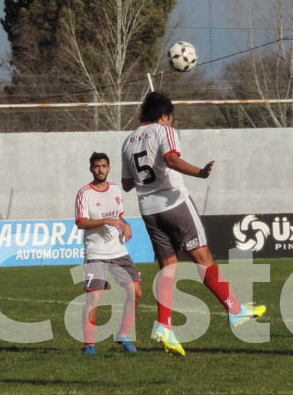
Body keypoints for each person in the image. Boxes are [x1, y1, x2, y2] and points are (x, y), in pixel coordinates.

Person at [121, 91, 266, 357]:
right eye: (170, 118)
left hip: (148, 210)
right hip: (174, 203)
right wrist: (200, 172)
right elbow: (171, 159)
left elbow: (127, 184)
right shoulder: (164, 130)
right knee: (203, 257)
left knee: (168, 266)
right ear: (164, 116)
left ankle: (165, 325)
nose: (171, 121)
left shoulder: (128, 141)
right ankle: (234, 309)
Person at [75, 152, 142, 355]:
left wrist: (126, 225)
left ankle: (124, 334)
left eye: (104, 166)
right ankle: (89, 345)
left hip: (118, 250)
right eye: (97, 166)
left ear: (109, 168)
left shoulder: (115, 189)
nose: (100, 169)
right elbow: (81, 222)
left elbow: (119, 216)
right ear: (91, 169)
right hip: (96, 252)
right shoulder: (84, 193)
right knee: (94, 298)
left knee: (136, 292)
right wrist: (105, 220)